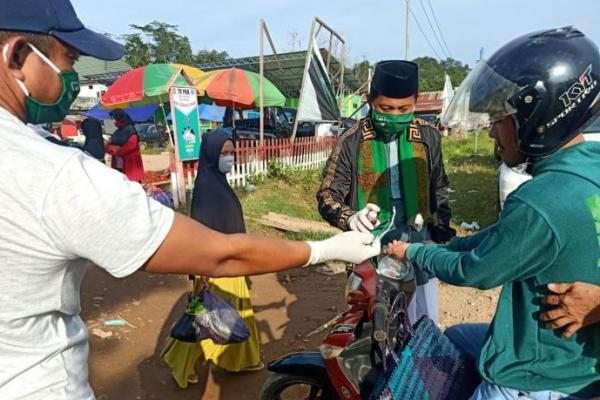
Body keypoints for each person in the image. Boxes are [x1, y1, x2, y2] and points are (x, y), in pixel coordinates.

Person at [0, 2, 380, 399]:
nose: (72, 77)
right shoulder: (51, 171)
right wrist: (328, 249)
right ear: (19, 56)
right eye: (70, 59)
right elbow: (221, 254)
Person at [386, 26, 600, 399]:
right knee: (453, 337)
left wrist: (414, 252)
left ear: (540, 118)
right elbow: (501, 238)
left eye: (499, 121)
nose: (492, 134)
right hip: (574, 353)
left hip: (538, 374)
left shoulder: (540, 201)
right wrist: (447, 245)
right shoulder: (590, 166)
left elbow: (476, 270)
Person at [317, 60, 454, 325]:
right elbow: (327, 195)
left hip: (417, 231)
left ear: (415, 102)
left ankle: (418, 359)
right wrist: (350, 218)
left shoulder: (428, 136)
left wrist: (442, 230)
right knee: (374, 309)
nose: (394, 115)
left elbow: (439, 187)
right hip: (371, 234)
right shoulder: (352, 140)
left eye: (404, 109)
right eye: (385, 108)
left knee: (421, 307)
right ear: (370, 101)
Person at [163, 131, 263, 388]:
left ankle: (243, 359)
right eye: (224, 153)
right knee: (207, 321)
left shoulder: (218, 183)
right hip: (216, 269)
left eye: (231, 153)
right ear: (210, 155)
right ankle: (179, 361)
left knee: (232, 315)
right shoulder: (208, 189)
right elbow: (202, 235)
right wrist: (204, 275)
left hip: (232, 263)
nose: (229, 158)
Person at [106, 108, 144, 182]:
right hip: (118, 163)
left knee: (131, 183)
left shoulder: (130, 130)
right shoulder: (117, 132)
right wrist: (110, 148)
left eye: (114, 119)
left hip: (129, 162)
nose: (113, 121)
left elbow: (131, 145)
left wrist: (117, 150)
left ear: (120, 119)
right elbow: (109, 144)